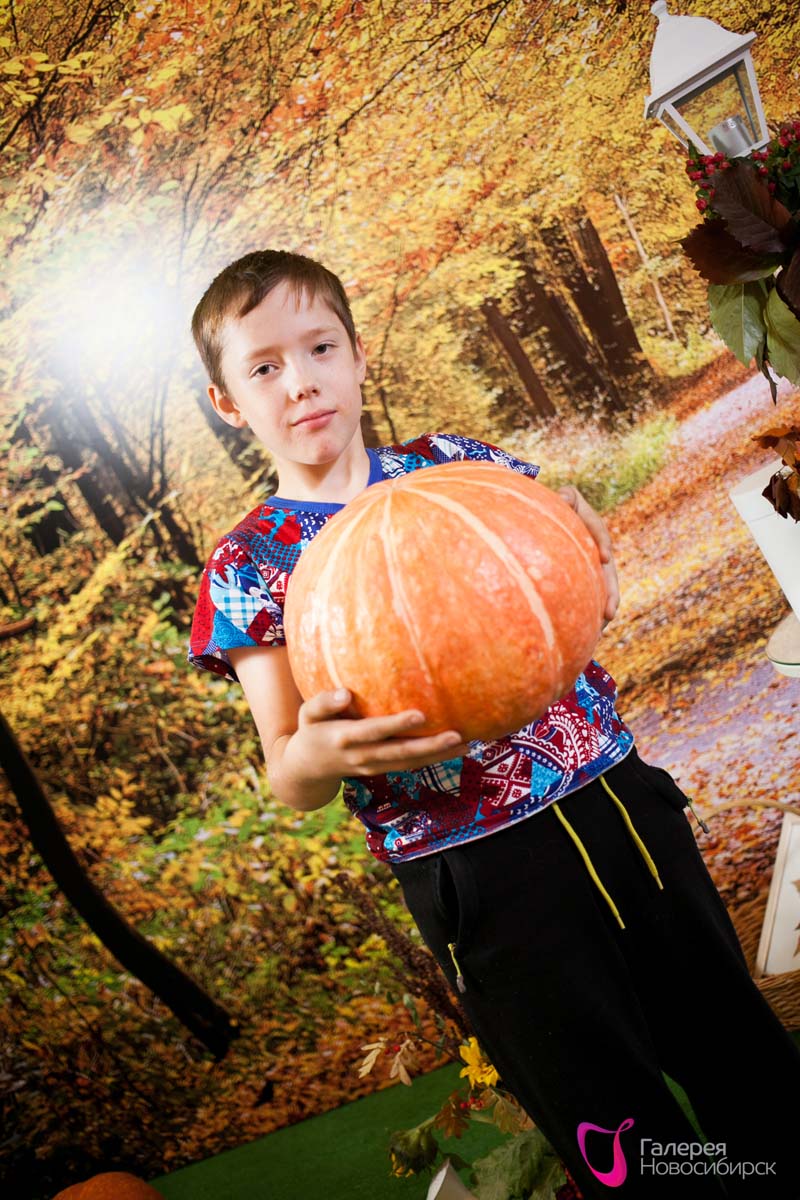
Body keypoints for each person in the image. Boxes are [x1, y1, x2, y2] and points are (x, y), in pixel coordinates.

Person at [188, 249, 800, 1199]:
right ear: (228, 402)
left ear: (358, 355)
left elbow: (562, 551)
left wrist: (591, 551)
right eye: (264, 366)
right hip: (480, 878)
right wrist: (317, 749)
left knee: (738, 1052)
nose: (300, 381)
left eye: (319, 348)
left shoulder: (456, 467)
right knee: (610, 1117)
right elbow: (286, 771)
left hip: (617, 802)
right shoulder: (249, 565)